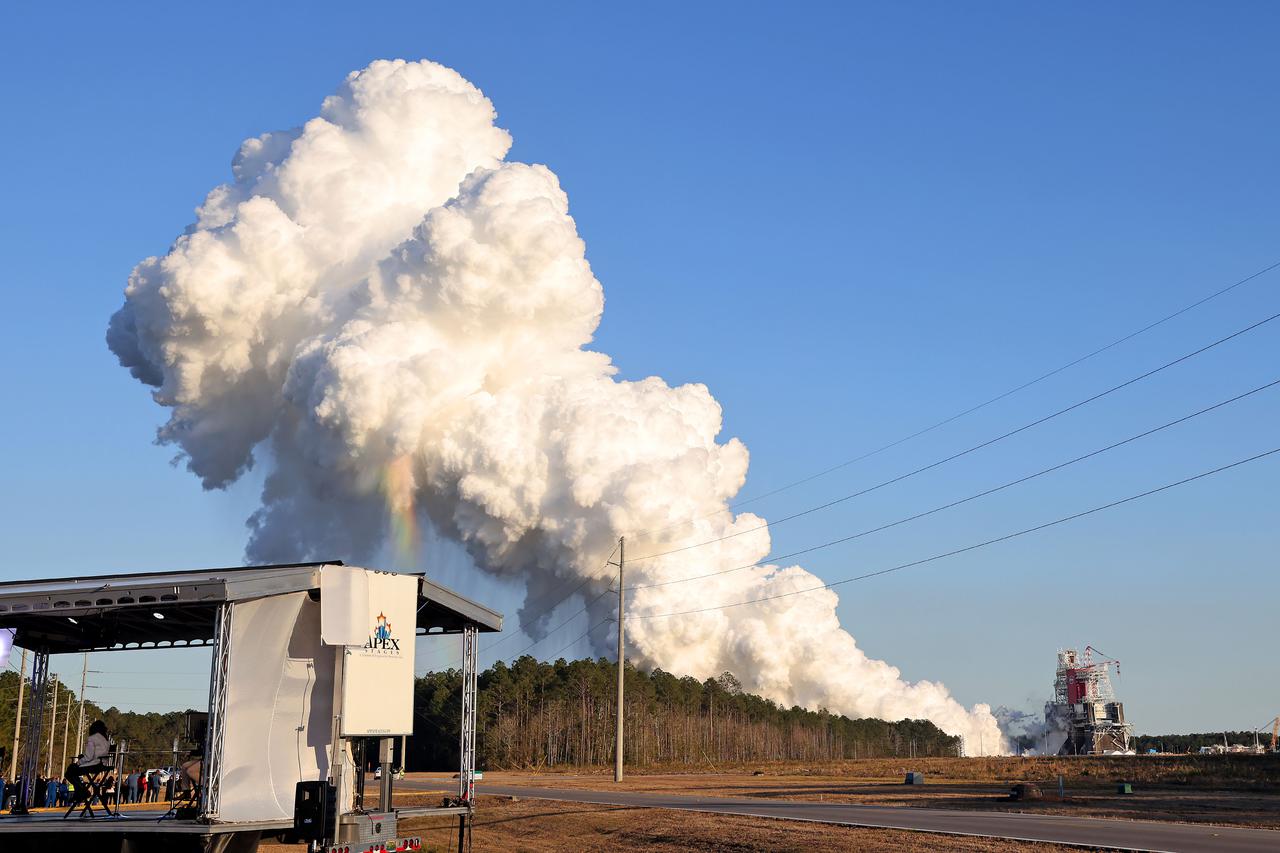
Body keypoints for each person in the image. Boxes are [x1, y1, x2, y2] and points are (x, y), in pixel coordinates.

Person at [66, 719, 111, 804]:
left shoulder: (93, 738)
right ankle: (80, 791)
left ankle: (81, 791)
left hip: (93, 766)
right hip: (101, 764)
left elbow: (88, 757)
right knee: (73, 770)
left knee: (70, 771)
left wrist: (78, 762)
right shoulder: (106, 739)